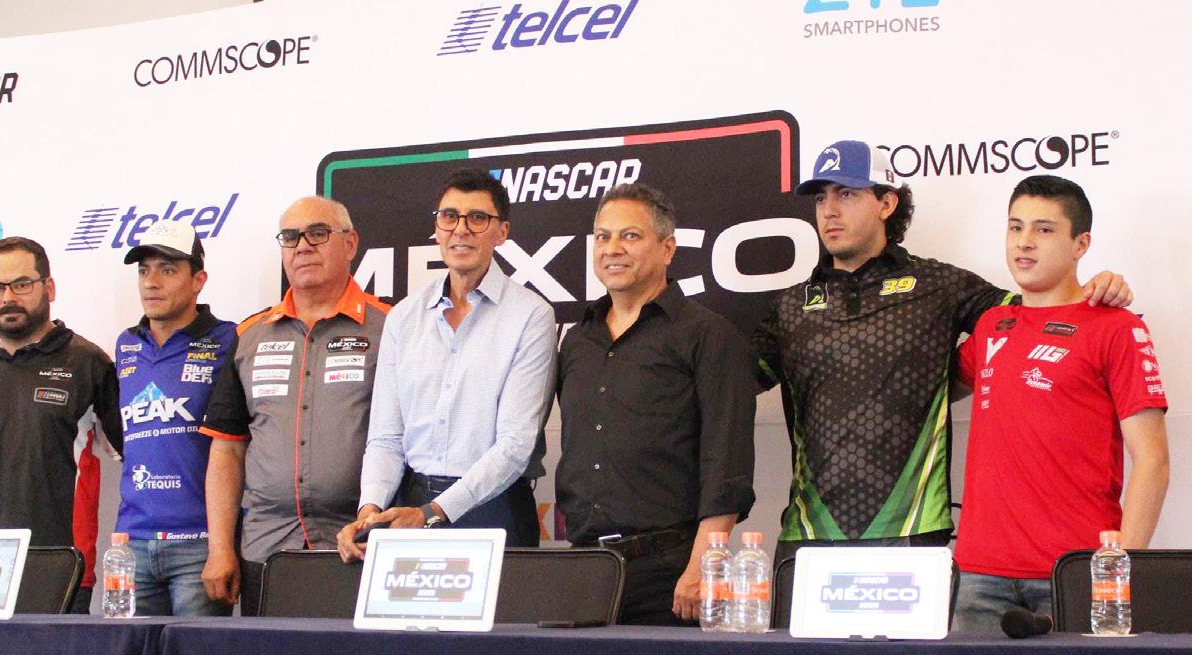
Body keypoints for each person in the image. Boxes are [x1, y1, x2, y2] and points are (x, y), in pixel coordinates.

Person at [753, 140, 1133, 569]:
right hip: (808, 530)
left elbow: (1039, 311)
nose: (830, 211)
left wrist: (1096, 290)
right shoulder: (789, 306)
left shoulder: (939, 285)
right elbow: (726, 388)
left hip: (912, 527)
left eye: (847, 194)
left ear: (887, 204)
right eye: (821, 198)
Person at [950, 175, 1169, 632]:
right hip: (978, 574)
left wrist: (1118, 573)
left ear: (1080, 244)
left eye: (1044, 230)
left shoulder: (1117, 327)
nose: (1024, 242)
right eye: (1015, 227)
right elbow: (925, 393)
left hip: (1074, 571)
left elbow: (1153, 461)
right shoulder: (991, 326)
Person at [554, 183, 756, 625]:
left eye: (630, 235)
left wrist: (704, 564)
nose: (612, 249)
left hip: (672, 572)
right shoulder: (577, 340)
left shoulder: (708, 335)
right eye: (603, 236)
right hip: (584, 570)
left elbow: (727, 461)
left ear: (667, 249)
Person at [336, 169, 556, 560]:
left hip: (493, 507)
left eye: (478, 218)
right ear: (437, 229)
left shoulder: (530, 315)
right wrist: (370, 511)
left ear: (501, 232)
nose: (461, 230)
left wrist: (432, 513)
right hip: (409, 504)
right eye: (449, 217)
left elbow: (515, 446)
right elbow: (386, 437)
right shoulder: (404, 317)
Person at [201, 196, 390, 614]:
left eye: (318, 234)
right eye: (290, 237)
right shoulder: (248, 336)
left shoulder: (392, 327)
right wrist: (220, 549)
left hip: (362, 545)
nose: (302, 246)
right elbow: (227, 450)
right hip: (266, 549)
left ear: (350, 244)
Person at [0, 237, 123, 613]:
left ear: (49, 288)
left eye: (22, 284)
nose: (8, 297)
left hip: (62, 561)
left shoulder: (89, 362)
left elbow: (133, 457)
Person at [114, 220, 236, 616]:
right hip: (131, 543)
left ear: (199, 280)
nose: (151, 283)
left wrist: (222, 546)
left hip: (199, 545)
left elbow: (238, 444)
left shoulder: (229, 340)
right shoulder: (125, 345)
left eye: (167, 270)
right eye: (144, 270)